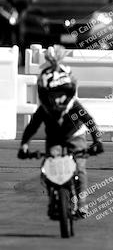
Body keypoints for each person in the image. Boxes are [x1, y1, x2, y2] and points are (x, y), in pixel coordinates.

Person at [17, 46, 104, 218]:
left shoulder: (74, 106)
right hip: (54, 139)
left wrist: (97, 141)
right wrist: (24, 145)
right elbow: (32, 127)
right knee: (48, 168)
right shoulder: (44, 110)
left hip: (75, 136)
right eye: (52, 95)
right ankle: (53, 198)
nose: (57, 99)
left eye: (61, 94)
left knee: (79, 168)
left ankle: (82, 204)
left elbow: (90, 121)